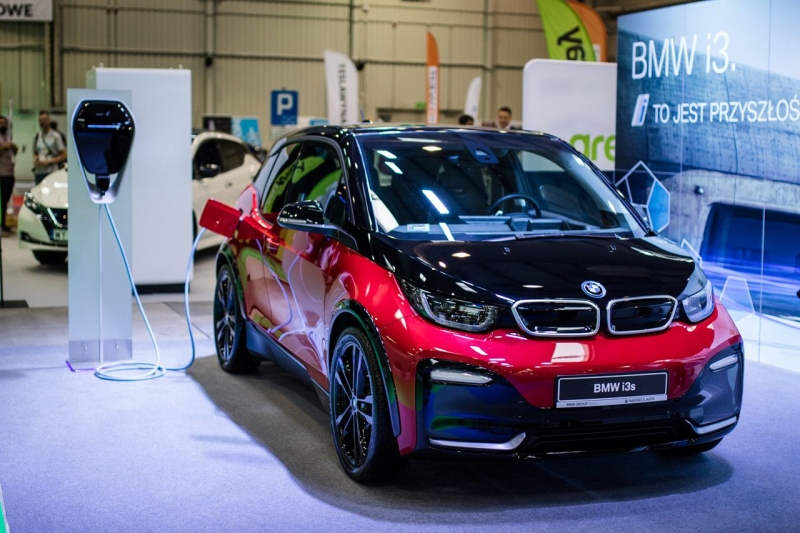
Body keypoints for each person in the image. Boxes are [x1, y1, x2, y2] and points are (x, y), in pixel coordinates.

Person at [32, 110, 66, 185]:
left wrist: (49, 161)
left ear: (49, 120)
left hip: (51, 172)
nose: (42, 122)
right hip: (39, 171)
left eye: (44, 120)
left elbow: (64, 155)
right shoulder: (37, 136)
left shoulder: (56, 136)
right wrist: (35, 159)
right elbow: (35, 152)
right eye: (40, 120)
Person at [0, 115, 18, 235]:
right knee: (1, 201)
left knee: (5, 200)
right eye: (1, 123)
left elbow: (11, 153)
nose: (3, 126)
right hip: (1, 174)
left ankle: (5, 225)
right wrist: (3, 147)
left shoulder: (7, 137)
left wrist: (14, 148)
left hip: (9, 173)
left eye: (4, 123)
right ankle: (2, 226)